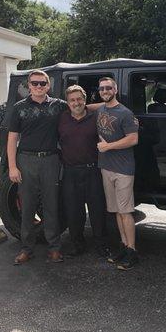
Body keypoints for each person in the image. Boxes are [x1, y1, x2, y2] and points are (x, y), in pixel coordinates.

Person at [7, 70, 65, 265]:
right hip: (26, 161)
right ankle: (27, 249)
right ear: (29, 85)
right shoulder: (19, 108)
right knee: (28, 207)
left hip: (50, 160)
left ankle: (54, 248)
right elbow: (12, 138)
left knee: (51, 205)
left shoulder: (58, 106)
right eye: (34, 83)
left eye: (42, 83)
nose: (38, 87)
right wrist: (12, 167)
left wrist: (109, 104)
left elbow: (80, 107)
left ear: (48, 85)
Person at [58, 85, 110, 258]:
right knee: (73, 211)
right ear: (67, 102)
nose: (76, 103)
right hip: (70, 172)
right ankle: (77, 244)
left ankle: (102, 245)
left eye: (79, 99)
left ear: (85, 100)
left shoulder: (96, 117)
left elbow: (109, 106)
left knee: (97, 210)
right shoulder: (61, 118)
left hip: (93, 171)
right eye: (72, 100)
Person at [96, 77, 140, 270]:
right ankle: (123, 246)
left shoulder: (126, 113)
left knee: (125, 212)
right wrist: (74, 104)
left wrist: (108, 147)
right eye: (102, 88)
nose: (105, 91)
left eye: (108, 88)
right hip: (106, 168)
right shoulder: (101, 109)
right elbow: (87, 107)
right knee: (115, 211)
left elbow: (133, 139)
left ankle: (132, 251)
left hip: (123, 169)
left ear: (115, 90)